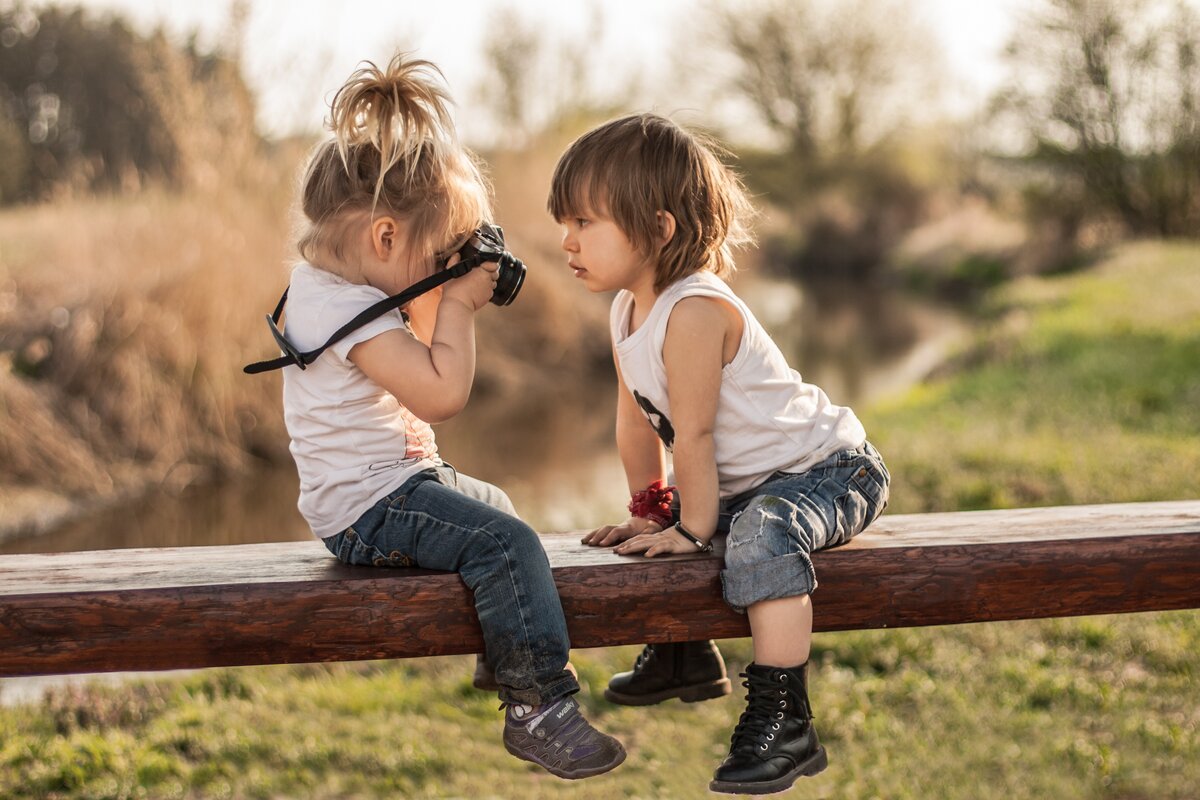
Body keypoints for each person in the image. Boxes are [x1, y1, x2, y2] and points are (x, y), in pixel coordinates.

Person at [271, 54, 624, 780]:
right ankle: (538, 708)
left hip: (384, 486)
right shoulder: (347, 313)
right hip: (369, 507)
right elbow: (440, 395)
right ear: (386, 239)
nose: (442, 268)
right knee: (506, 542)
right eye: (435, 253)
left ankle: (507, 652)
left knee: (495, 509)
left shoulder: (331, 289)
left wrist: (440, 277)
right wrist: (460, 300)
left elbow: (417, 333)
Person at [548, 113, 890, 795]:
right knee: (670, 530)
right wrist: (653, 512)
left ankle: (784, 718)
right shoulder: (626, 311)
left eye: (585, 222)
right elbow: (638, 427)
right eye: (566, 222)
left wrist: (693, 527)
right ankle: (684, 657)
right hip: (754, 484)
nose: (567, 240)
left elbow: (695, 435)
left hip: (827, 473)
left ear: (660, 227)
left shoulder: (697, 310)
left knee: (754, 532)